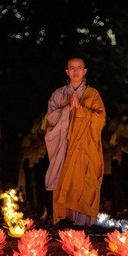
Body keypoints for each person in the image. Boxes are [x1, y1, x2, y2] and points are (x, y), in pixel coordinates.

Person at [44, 57, 106, 226]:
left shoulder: (92, 94)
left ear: (85, 71)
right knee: (63, 177)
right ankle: (63, 218)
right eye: (72, 68)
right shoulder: (59, 94)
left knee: (84, 181)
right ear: (67, 71)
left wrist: (80, 109)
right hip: (64, 145)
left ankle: (82, 220)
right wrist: (67, 109)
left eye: (79, 68)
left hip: (85, 146)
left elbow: (100, 120)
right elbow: (50, 119)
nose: (76, 71)